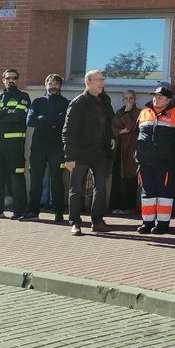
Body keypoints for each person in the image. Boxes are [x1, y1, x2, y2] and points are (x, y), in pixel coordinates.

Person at [62, 70, 116, 235]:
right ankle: (75, 223)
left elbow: (109, 122)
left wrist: (111, 137)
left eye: (103, 80)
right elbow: (68, 130)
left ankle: (97, 221)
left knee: (101, 188)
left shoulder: (104, 100)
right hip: (80, 153)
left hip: (100, 153)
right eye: (98, 80)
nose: (102, 83)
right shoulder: (78, 102)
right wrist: (69, 157)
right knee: (76, 189)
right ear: (88, 82)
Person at [135, 84, 175, 234]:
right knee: (147, 192)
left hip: (167, 163)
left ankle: (163, 224)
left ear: (168, 100)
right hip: (145, 162)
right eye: (155, 96)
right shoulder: (144, 113)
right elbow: (136, 135)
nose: (156, 99)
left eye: (160, 97)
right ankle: (147, 223)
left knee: (164, 194)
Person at [0, 69, 31, 220]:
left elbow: (18, 117)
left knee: (16, 176)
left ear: (18, 80)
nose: (11, 80)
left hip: (14, 143)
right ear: (3, 79)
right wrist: (6, 111)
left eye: (14, 78)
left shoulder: (23, 96)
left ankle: (19, 211)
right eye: (8, 78)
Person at [27, 74, 69, 221]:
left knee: (57, 180)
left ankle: (59, 213)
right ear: (45, 85)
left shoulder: (66, 103)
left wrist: (42, 119)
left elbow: (65, 122)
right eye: (50, 82)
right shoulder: (38, 102)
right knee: (36, 179)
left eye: (56, 83)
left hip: (57, 147)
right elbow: (31, 121)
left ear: (60, 86)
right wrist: (52, 121)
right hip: (38, 146)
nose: (52, 85)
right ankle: (33, 210)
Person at [110, 90, 141, 216]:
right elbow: (113, 127)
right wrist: (120, 131)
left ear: (134, 100)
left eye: (131, 98)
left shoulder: (139, 112)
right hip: (119, 150)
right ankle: (115, 206)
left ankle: (128, 207)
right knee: (117, 178)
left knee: (129, 178)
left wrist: (128, 114)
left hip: (130, 149)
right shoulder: (118, 112)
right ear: (122, 100)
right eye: (126, 98)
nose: (128, 101)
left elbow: (131, 126)